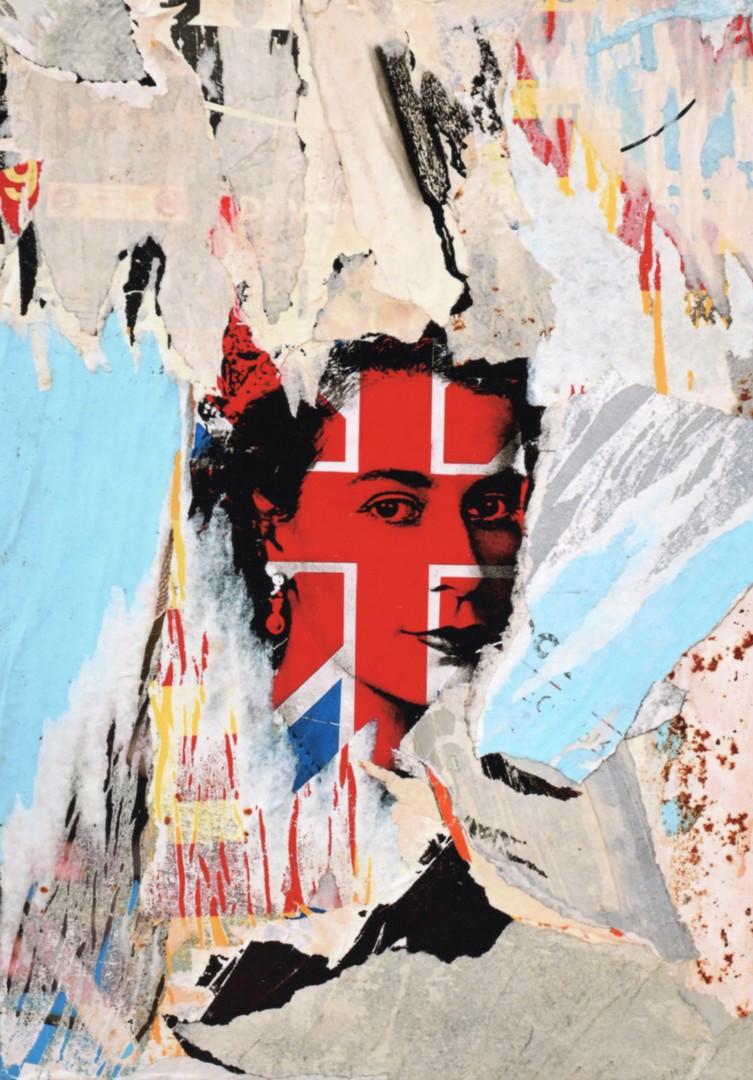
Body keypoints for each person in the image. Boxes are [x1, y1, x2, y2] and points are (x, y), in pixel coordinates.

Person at [191, 322, 541, 776]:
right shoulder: (219, 778)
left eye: (490, 507)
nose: (465, 572)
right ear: (274, 527)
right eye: (392, 508)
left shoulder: (533, 787)